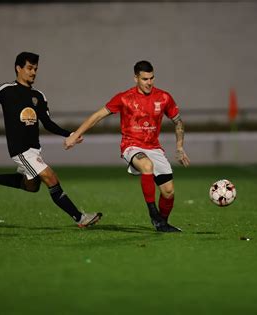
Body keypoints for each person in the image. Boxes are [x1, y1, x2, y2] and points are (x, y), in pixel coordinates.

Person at [0, 52, 102, 227]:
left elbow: (47, 124)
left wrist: (70, 134)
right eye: (30, 68)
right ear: (19, 68)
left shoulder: (39, 96)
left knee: (31, 186)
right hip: (19, 149)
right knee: (51, 178)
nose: (33, 72)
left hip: (34, 149)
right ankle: (80, 218)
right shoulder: (5, 90)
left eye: (36, 69)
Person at [64, 60, 190, 232]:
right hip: (132, 146)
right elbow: (97, 116)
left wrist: (180, 147)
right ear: (135, 78)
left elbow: (178, 121)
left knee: (168, 192)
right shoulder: (124, 98)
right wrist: (76, 135)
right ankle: (153, 213)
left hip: (154, 147)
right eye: (145, 79)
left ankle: (162, 223)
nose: (149, 83)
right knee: (147, 166)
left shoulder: (164, 97)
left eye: (152, 78)